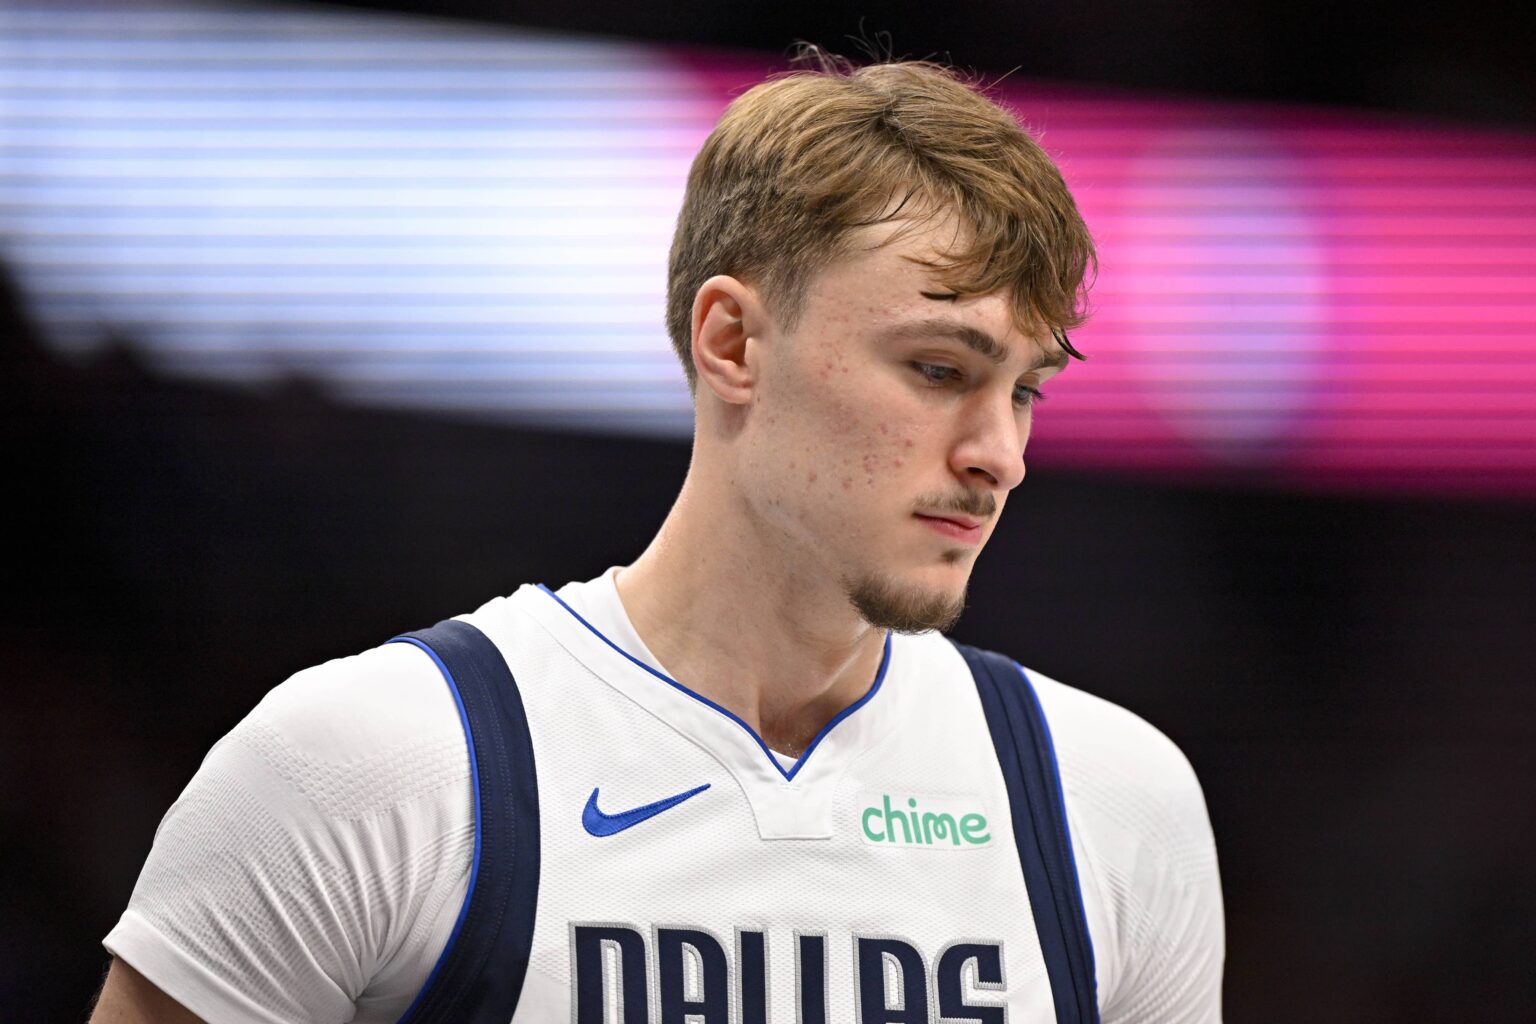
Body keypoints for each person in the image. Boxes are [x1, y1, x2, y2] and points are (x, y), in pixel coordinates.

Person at [91, 53, 1223, 1023]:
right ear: (731, 340)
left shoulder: (1112, 803)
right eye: (939, 369)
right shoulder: (376, 762)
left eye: (1024, 390)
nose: (999, 454)